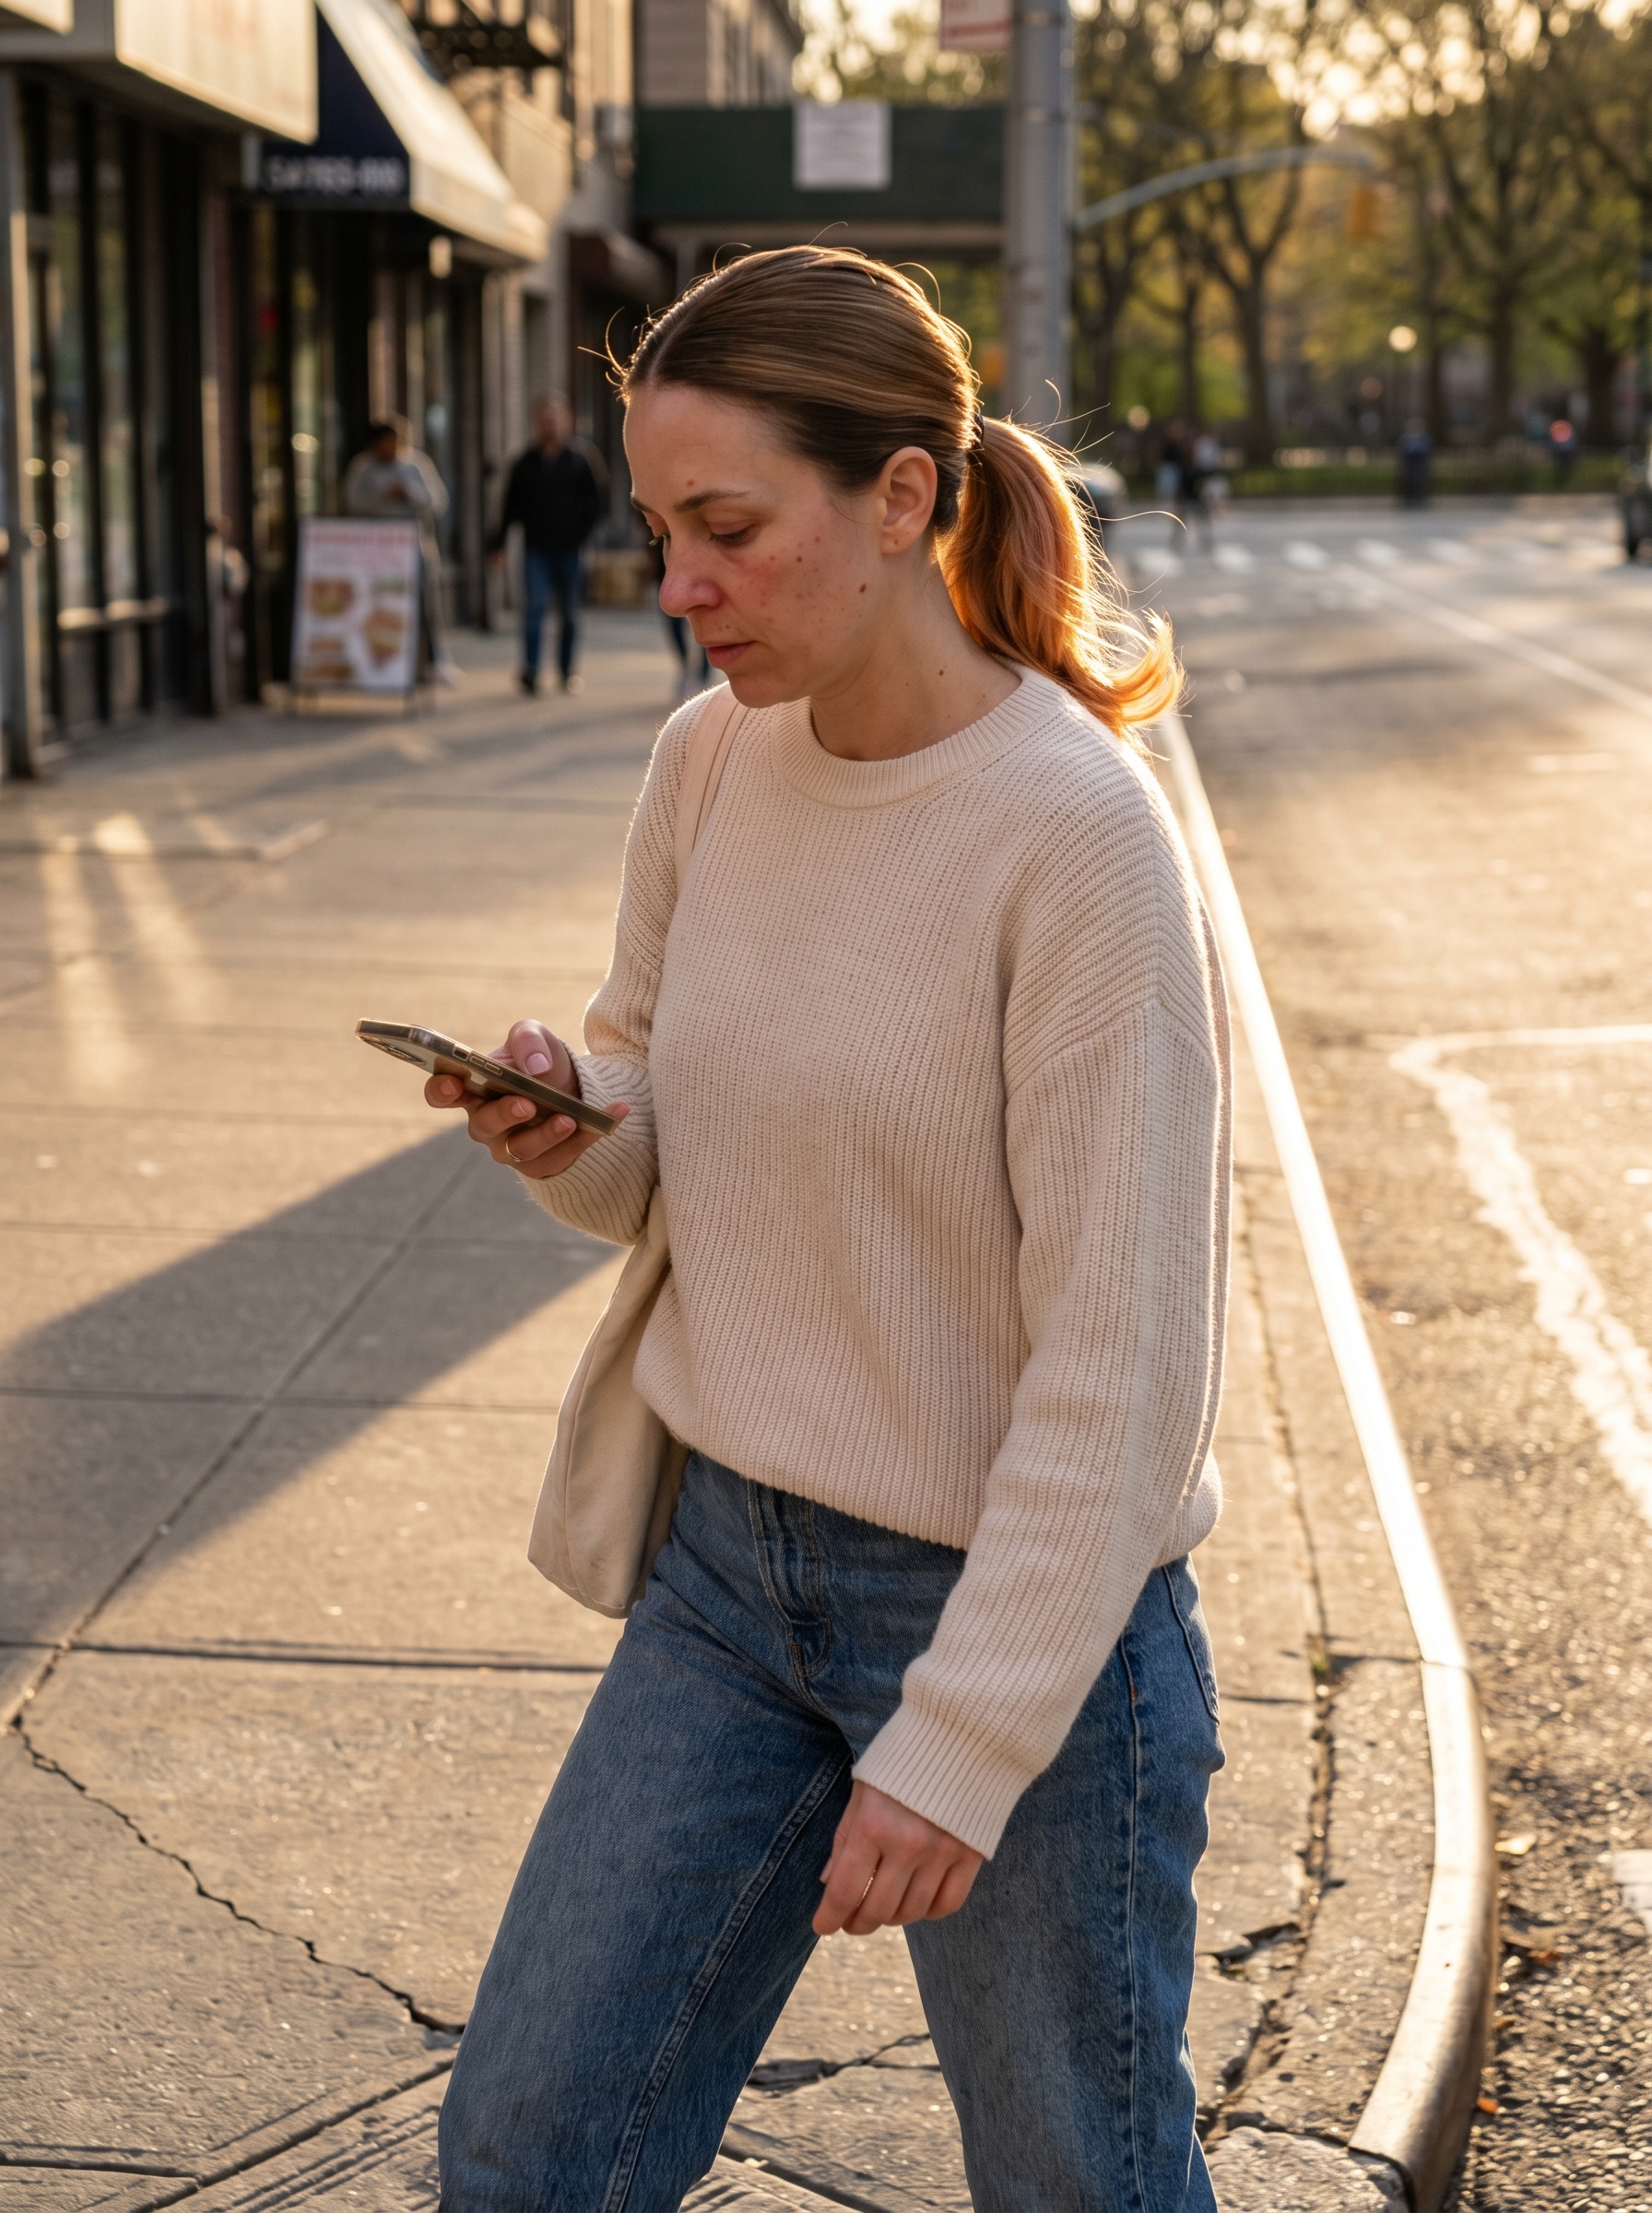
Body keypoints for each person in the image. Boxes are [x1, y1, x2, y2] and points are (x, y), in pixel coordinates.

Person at [427, 245, 1229, 2212]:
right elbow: (655, 1128)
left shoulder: (1075, 837)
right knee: (528, 2157)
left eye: (727, 530)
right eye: (659, 532)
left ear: (899, 498)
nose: (678, 586)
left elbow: (1123, 1369)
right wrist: (568, 1129)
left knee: (1078, 2183)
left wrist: (960, 1740)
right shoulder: (704, 759)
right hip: (721, 1584)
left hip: (1005, 1601)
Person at [490, 392, 605, 696]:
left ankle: (567, 672)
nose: (550, 423)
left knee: (569, 614)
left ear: (567, 421)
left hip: (570, 550)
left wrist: (581, 535)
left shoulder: (581, 460)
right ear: (537, 422)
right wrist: (499, 545)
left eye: (556, 417)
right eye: (545, 418)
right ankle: (530, 671)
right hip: (535, 550)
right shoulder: (525, 462)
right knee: (534, 611)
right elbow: (509, 506)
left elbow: (596, 503)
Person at [342, 418, 457, 685]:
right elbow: (352, 502)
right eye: (384, 444)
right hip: (374, 552)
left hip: (413, 548)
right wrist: (382, 497)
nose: (390, 449)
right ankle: (376, 666)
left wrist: (410, 494)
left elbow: (437, 501)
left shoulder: (417, 465)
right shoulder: (363, 468)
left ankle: (434, 662)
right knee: (376, 606)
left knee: (425, 606)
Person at [650, 532, 710, 700]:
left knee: (707, 627)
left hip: (700, 571)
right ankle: (686, 668)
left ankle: (703, 676)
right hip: (665, 571)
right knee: (674, 626)